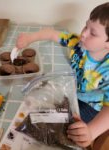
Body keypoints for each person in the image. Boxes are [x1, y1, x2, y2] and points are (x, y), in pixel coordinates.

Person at [15, 2, 109, 148]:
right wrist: (30, 37)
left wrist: (92, 131)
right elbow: (53, 34)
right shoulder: (78, 43)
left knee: (65, 134)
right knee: (39, 116)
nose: (83, 34)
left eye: (93, 33)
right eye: (86, 26)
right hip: (70, 93)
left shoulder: (106, 69)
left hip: (90, 106)